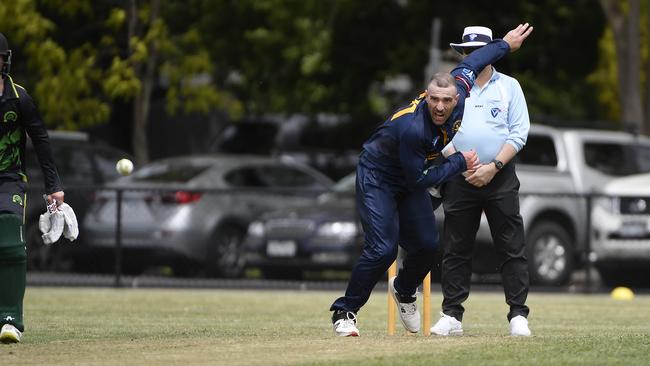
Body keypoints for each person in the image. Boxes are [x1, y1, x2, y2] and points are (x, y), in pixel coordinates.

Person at [329, 24, 533, 337]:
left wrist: (505, 44)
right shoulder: (414, 130)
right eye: (434, 100)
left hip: (416, 175)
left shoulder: (461, 86)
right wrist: (458, 162)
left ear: (458, 96)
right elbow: (420, 179)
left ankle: (405, 291)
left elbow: (476, 61)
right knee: (384, 249)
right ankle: (345, 311)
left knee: (426, 245)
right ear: (427, 98)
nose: (439, 107)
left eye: (446, 102)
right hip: (380, 176)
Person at [431, 25, 533, 337]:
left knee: (511, 247)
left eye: (479, 50)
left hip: (500, 176)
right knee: (456, 248)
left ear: (491, 52)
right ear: (462, 52)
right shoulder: (453, 87)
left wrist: (493, 166)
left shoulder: (509, 87)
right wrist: (460, 163)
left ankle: (518, 315)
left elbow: (519, 132)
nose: (472, 55)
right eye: (468, 50)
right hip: (460, 176)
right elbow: (437, 131)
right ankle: (452, 315)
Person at [0, 32, 64, 344]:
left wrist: (53, 185)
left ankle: (10, 319)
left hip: (9, 178)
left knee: (11, 236)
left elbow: (40, 140)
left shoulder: (19, 97)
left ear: (5, 60)